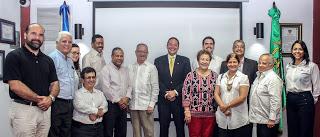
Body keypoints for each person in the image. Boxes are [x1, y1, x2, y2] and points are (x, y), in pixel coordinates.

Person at [3, 23, 59, 137]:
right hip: (23, 111)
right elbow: (15, 85)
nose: (37, 38)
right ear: (25, 35)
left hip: (45, 111)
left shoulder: (48, 60)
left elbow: (55, 83)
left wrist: (51, 98)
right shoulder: (13, 56)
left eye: (41, 35)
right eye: (33, 33)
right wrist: (39, 100)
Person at [154, 37, 191, 137]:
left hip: (179, 101)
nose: (172, 46)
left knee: (180, 129)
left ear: (178, 47)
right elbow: (156, 80)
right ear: (167, 45)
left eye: (175, 45)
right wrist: (166, 93)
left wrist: (175, 92)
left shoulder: (185, 60)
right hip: (163, 100)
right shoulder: (158, 61)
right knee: (163, 128)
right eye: (170, 44)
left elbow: (187, 80)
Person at [286, 40, 320, 137]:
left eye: (300, 49)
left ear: (304, 51)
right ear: (292, 51)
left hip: (305, 100)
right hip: (291, 99)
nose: (297, 51)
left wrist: (312, 100)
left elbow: (317, 87)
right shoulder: (289, 66)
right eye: (295, 49)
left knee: (305, 131)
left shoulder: (312, 66)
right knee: (292, 130)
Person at [214, 53, 251, 137]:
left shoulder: (243, 77)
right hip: (222, 116)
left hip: (238, 118)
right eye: (230, 62)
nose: (232, 64)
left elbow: (242, 97)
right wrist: (223, 107)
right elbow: (216, 93)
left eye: (235, 62)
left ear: (239, 63)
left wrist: (226, 106)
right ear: (227, 63)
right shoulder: (220, 77)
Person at [182, 50, 218, 137]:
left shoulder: (215, 76)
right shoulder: (190, 76)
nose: (204, 62)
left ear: (210, 61)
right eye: (202, 59)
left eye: (207, 60)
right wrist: (187, 111)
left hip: (210, 114)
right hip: (194, 114)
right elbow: (186, 93)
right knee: (195, 135)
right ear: (198, 60)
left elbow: (218, 94)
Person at [128, 43, 159, 137]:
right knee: (136, 133)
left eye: (144, 52)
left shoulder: (151, 68)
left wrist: (151, 105)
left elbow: (155, 87)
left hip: (146, 106)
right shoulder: (130, 67)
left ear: (147, 53)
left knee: (148, 133)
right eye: (140, 51)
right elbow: (128, 86)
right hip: (133, 106)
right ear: (136, 52)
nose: (142, 54)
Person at [100, 47, 132, 137]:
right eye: (117, 56)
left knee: (121, 132)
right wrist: (119, 101)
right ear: (112, 56)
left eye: (121, 56)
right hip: (111, 106)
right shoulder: (106, 69)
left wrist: (127, 98)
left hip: (123, 106)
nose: (119, 58)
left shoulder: (125, 70)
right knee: (108, 132)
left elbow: (130, 86)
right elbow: (106, 89)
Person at [49, 31, 76, 137]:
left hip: (69, 103)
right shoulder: (52, 58)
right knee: (55, 132)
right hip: (57, 103)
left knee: (66, 132)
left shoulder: (69, 60)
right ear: (57, 43)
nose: (67, 44)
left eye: (70, 42)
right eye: (64, 41)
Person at [249, 53, 283, 137]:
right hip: (261, 119)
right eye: (259, 62)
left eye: (264, 63)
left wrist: (272, 119)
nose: (260, 65)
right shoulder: (259, 76)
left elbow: (275, 100)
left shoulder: (273, 79)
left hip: (268, 121)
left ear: (271, 65)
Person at [72, 67, 108, 137]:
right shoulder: (78, 93)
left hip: (98, 129)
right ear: (82, 80)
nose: (91, 80)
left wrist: (97, 113)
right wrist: (96, 111)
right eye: (88, 77)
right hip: (82, 130)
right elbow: (80, 106)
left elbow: (105, 105)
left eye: (93, 77)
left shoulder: (100, 93)